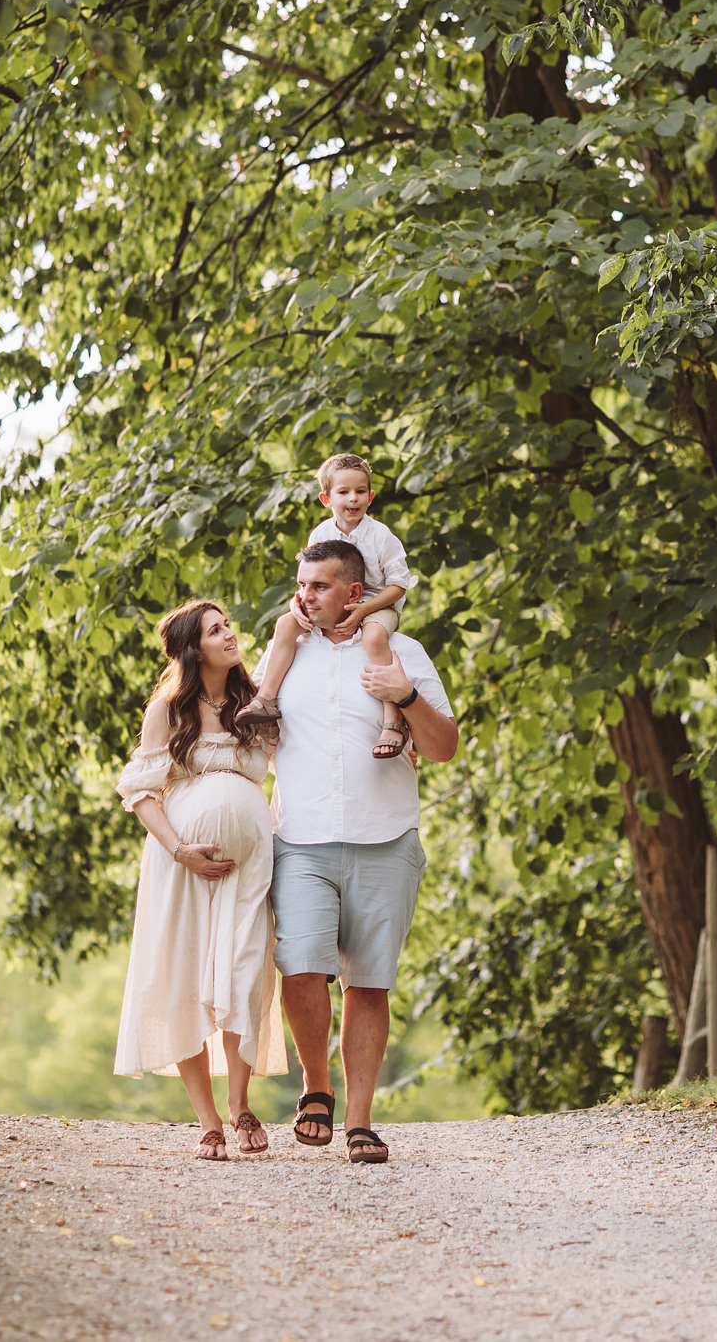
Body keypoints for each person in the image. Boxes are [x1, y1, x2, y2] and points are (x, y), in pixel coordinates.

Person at [269, 539, 458, 1164]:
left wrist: (404, 697)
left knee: (368, 983)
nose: (305, 596)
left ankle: (359, 1122)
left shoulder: (402, 651)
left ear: (355, 592)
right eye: (302, 584)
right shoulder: (284, 653)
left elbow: (443, 747)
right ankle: (315, 1086)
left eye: (319, 586)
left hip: (385, 838)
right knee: (298, 966)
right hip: (300, 839)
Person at [112, 600, 287, 1159]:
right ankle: (208, 1120)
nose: (230, 634)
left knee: (244, 972)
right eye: (216, 630)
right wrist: (181, 848)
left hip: (248, 871)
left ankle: (241, 1106)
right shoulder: (166, 712)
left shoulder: (254, 702)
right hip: (182, 868)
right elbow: (141, 792)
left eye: (228, 625)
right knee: (184, 978)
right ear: (194, 648)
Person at [250, 453, 417, 758]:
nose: (353, 498)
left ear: (371, 496)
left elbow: (398, 585)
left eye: (360, 491)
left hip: (377, 603)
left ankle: (392, 718)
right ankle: (266, 698)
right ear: (326, 499)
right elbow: (311, 579)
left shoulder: (381, 536)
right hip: (332, 601)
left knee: (373, 637)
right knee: (286, 623)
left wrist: (365, 611)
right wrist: (297, 601)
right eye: (343, 492)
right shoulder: (321, 534)